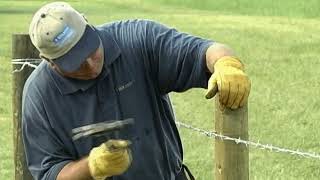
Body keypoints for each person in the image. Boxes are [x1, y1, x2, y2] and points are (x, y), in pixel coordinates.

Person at [22, 2, 250, 180]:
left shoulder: (136, 40)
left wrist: (225, 63)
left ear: (87, 23)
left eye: (89, 48)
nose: (91, 65)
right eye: (76, 62)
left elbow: (200, 51)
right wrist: (92, 167)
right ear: (50, 62)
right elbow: (50, 172)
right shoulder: (39, 96)